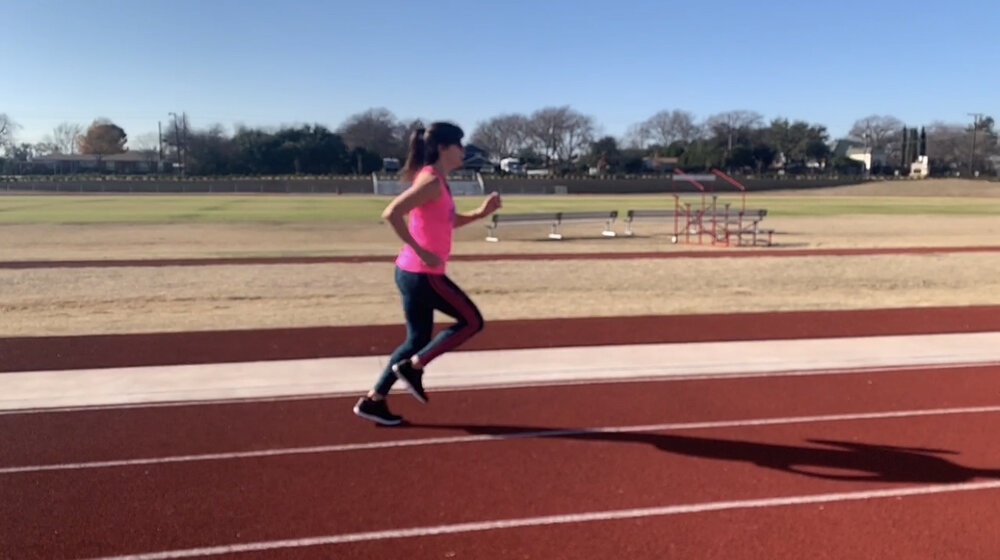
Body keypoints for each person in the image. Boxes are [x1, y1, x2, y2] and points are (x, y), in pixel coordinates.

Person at [353, 122, 502, 425]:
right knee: (472, 321)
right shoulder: (431, 182)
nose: (463, 151)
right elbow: (391, 213)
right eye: (460, 145)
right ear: (444, 148)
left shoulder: (437, 182)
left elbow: (446, 221)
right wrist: (421, 251)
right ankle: (414, 367)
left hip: (410, 272)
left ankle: (374, 400)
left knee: (416, 338)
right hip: (423, 273)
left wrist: (479, 214)